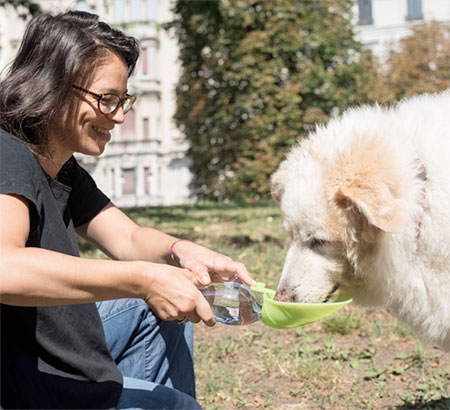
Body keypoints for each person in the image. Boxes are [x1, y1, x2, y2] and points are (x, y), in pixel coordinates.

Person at [0, 10, 256, 409]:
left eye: (123, 100)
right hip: (20, 382)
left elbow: (128, 237)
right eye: (106, 99)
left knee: (153, 309)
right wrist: (143, 278)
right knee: (179, 406)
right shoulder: (8, 154)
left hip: (47, 346)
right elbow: (5, 269)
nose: (119, 116)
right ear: (52, 84)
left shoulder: (59, 163)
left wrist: (180, 251)